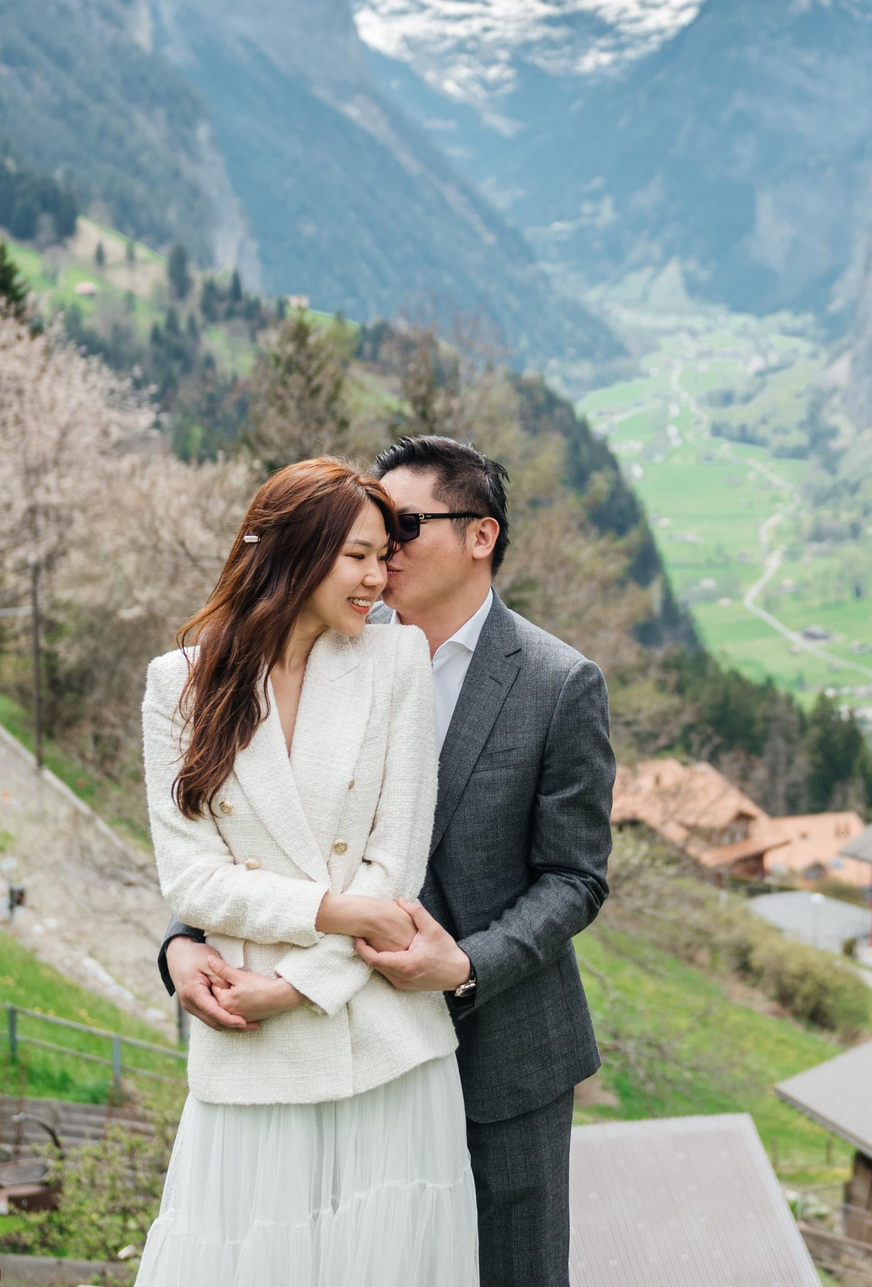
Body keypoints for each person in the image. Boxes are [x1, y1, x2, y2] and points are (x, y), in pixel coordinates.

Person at [162, 435, 614, 1287]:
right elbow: (252, 829)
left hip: (499, 1049)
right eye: (370, 532)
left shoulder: (559, 683)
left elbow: (576, 876)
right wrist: (181, 941)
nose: (384, 550)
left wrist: (469, 963)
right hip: (319, 1040)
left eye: (404, 524)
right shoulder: (325, 649)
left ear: (481, 536)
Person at [135, 457, 477, 1285]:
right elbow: (193, 882)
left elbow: (394, 871)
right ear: (294, 552)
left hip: (380, 1045)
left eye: (384, 555)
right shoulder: (178, 684)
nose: (379, 576)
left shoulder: (397, 665)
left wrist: (293, 986)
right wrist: (335, 911)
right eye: (358, 555)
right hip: (252, 1056)